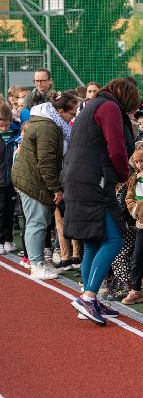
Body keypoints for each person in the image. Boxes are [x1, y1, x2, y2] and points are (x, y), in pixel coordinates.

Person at [63, 78, 140, 324]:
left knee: (91, 243)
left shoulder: (91, 106)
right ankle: (88, 297)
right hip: (95, 180)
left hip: (76, 179)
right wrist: (123, 174)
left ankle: (89, 298)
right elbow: (116, 148)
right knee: (113, 238)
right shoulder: (109, 108)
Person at [11, 92, 78, 279]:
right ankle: (36, 264)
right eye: (71, 114)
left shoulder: (46, 121)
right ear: (61, 110)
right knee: (36, 222)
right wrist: (55, 187)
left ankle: (38, 261)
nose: (73, 118)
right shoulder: (48, 127)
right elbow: (46, 161)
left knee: (39, 222)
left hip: (33, 178)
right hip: (33, 180)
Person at [122, 142, 143, 304]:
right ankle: (135, 290)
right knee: (137, 258)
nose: (140, 164)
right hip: (142, 224)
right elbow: (129, 197)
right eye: (136, 162)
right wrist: (134, 210)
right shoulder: (135, 178)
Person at [0, 105, 20, 255]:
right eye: (0, 125)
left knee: (10, 211)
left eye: (6, 124)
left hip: (12, 181)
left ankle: (8, 239)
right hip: (0, 182)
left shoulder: (17, 133)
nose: (3, 127)